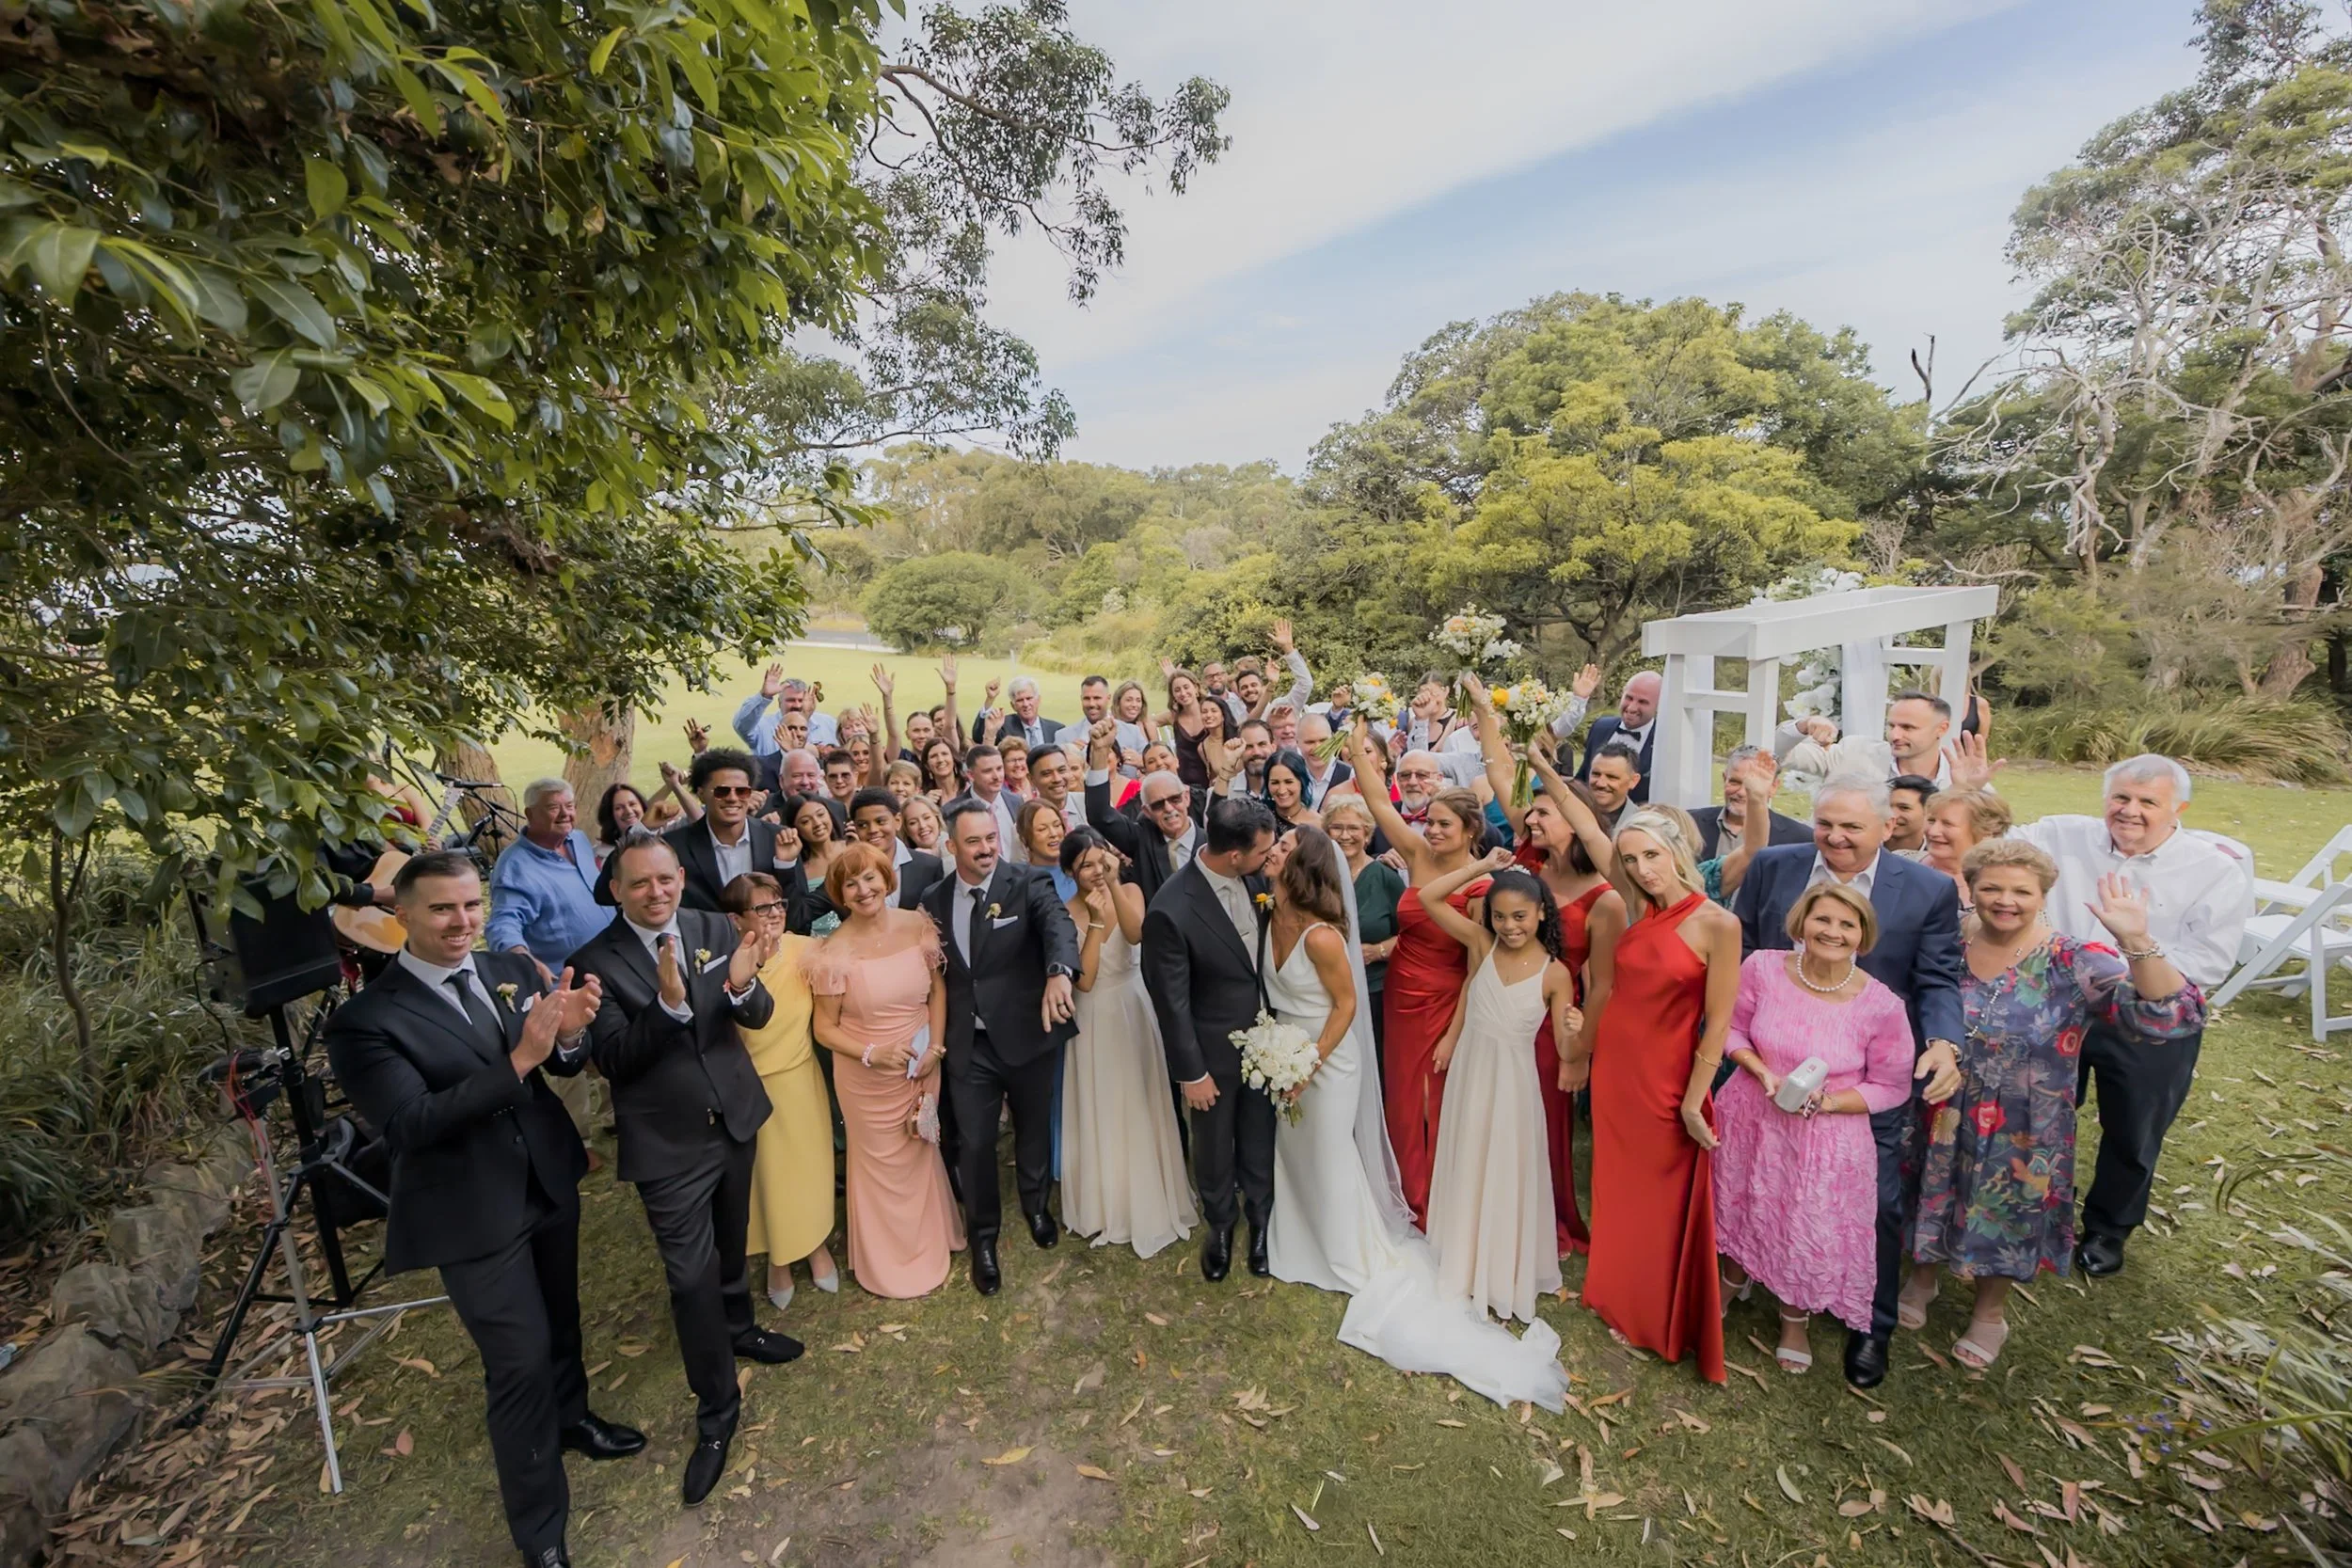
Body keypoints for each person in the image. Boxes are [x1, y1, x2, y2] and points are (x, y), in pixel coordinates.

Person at [326, 852, 639, 1568]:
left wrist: (567, 1036)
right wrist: (523, 1058)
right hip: (470, 1212)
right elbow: (409, 1124)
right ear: (400, 915)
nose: (463, 920)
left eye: (471, 903)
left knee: (561, 1320)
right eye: (442, 908)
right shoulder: (365, 1022)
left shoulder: (513, 967)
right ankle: (540, 1531)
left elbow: (564, 1059)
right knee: (517, 1361)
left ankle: (574, 1418)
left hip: (547, 1179)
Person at [1248, 829, 1572, 1408]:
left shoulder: (1324, 937)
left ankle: (1349, 1250)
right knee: (1296, 1154)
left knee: (1329, 1152)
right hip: (1289, 1052)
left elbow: (1350, 999)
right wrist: (1275, 1049)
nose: (1271, 850)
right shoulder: (1268, 912)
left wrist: (1486, 868)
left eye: (1283, 847)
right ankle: (1299, 1237)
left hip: (1327, 1059)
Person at [566, 833, 798, 1506]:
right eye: (640, 883)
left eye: (665, 878)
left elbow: (754, 1014)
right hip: (667, 1147)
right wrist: (668, 1009)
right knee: (688, 1276)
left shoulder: (708, 924)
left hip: (733, 1118)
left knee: (732, 1243)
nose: (657, 891)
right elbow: (614, 1058)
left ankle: (742, 1327)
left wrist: (743, 985)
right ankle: (718, 1410)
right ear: (615, 888)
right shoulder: (592, 963)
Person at [1907, 843, 2203, 1365]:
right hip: (1940, 1103)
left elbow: (2172, 1016)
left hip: (2024, 1122)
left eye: (2021, 891)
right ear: (1970, 889)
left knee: (2008, 1211)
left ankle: (1989, 1313)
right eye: (1991, 888)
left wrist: (2135, 938)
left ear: (2043, 895)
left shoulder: (2072, 959)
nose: (2005, 901)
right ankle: (1922, 1278)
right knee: (1929, 1188)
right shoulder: (1945, 940)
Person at [1734, 776, 1964, 1389]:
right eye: (1824, 823)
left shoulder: (1927, 890)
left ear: (1889, 826)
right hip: (1768, 1070)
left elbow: (1939, 978)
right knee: (1761, 1178)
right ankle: (1759, 1268)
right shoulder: (1772, 865)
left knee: (1878, 1204)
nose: (1835, 837)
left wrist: (1944, 1040)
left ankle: (1871, 1324)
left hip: (1862, 1079)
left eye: (1852, 826)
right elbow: (1745, 953)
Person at [2005, 754, 2249, 1278]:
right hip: (2059, 1005)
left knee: (2134, 1128)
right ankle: (2041, 1205)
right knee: (2038, 1111)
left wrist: (2131, 956)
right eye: (2120, 798)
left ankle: (2109, 1229)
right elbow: (1993, 837)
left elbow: (2207, 963)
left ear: (2178, 809)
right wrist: (1972, 787)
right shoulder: (2060, 835)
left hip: (2149, 1017)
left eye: (2147, 802)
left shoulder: (2214, 871)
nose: (2130, 811)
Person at [1712, 883, 1916, 1374]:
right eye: (1823, 920)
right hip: (1751, 1112)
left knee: (1802, 1223)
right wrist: (1758, 1070)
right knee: (1741, 1202)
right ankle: (1729, 1280)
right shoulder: (1761, 967)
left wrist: (1827, 1102)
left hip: (1824, 1137)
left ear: (1863, 937)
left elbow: (1892, 1086)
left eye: (1848, 925)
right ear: (1801, 922)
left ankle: (1793, 1318)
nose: (1833, 932)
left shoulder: (1882, 1006)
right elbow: (1732, 1028)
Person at [1566, 811, 1737, 1383]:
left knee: (1659, 1200)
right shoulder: (1640, 907)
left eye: (1652, 856)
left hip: (1665, 1080)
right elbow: (1588, 832)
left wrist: (1693, 1100)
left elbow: (1717, 1024)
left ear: (1676, 851)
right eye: (1632, 860)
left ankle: (1651, 1313)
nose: (1642, 869)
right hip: (1617, 1070)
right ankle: (1615, 1292)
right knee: (1617, 1188)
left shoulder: (1716, 923)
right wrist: (1534, 758)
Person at [921, 800, 1081, 1295]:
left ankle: (1036, 1207)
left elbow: (1058, 928)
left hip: (1028, 1033)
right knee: (974, 1142)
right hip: (970, 1045)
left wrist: (1059, 973)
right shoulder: (933, 898)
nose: (986, 848)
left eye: (990, 837)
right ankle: (983, 1238)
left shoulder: (1028, 881)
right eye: (973, 841)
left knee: (1034, 1128)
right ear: (952, 846)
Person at [1414, 851, 1580, 1323]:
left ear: (1542, 913)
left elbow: (1567, 1049)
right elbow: (1429, 897)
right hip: (1473, 1067)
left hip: (1512, 1081)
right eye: (1500, 917)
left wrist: (1573, 1025)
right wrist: (1480, 866)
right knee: (1468, 1151)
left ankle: (1499, 1259)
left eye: (1520, 917)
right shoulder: (1482, 945)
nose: (1509, 927)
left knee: (1504, 1160)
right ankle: (1462, 1250)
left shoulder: (1555, 973)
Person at [1344, 719, 1490, 1225]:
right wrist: (1359, 739)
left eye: (1444, 824)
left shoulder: (1482, 886)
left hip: (1445, 999)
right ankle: (1403, 1186)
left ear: (1470, 831)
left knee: (1433, 1100)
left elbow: (1477, 971)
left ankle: (1434, 1194)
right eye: (1430, 821)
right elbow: (1378, 802)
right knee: (1401, 1096)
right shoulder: (1417, 854)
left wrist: (1454, 1034)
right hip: (1400, 992)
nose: (1432, 830)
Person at [806, 843, 963, 1299]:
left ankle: (933, 1239)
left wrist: (935, 1046)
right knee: (881, 1165)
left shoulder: (917, 925)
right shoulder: (834, 952)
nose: (863, 889)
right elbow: (824, 1029)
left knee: (921, 1150)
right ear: (840, 893)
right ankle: (889, 1261)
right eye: (850, 883)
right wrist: (873, 1052)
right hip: (867, 1077)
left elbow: (936, 991)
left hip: (921, 1064)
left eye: (870, 877)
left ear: (886, 878)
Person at [1483, 740, 1615, 1255]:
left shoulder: (1605, 897)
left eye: (1541, 812)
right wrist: (1485, 710)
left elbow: (1603, 984)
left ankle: (1545, 1214)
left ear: (1572, 819)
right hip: (1502, 1005)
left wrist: (1578, 1053)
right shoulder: (1529, 869)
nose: (1529, 819)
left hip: (1555, 1019)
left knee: (1542, 1117)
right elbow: (1500, 779)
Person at [1140, 795, 1279, 1282]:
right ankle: (1222, 1224)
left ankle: (1262, 1220)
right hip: (1212, 1054)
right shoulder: (1170, 909)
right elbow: (1170, 1002)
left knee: (1261, 1135)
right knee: (1216, 1144)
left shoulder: (1261, 878)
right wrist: (1191, 1073)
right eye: (1264, 851)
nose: (1270, 857)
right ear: (1235, 855)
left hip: (1269, 1046)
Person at [1057, 828, 1198, 1259]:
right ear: (1069, 872)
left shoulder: (1130, 889)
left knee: (1140, 1097)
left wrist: (1114, 884)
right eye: (1085, 867)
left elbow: (1137, 935)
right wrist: (1096, 924)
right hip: (1095, 1015)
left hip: (1135, 1007)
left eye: (1101, 860)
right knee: (1104, 1102)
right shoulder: (1065, 911)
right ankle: (1108, 1201)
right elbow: (1085, 980)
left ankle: (1153, 1189)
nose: (1095, 872)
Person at [716, 873, 840, 1309]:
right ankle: (779, 1260)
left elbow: (844, 940)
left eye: (779, 906)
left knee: (808, 1167)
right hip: (750, 1082)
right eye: (762, 909)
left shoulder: (807, 948)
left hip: (799, 1075)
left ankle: (815, 1245)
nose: (775, 916)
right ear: (736, 918)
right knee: (765, 1177)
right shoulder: (721, 960)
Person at [488, 779, 612, 1155]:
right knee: (568, 1069)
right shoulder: (515, 867)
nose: (566, 814)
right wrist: (523, 956)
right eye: (554, 807)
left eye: (570, 805)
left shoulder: (577, 840)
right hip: (564, 982)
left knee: (611, 1044)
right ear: (529, 815)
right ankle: (577, 1142)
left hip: (607, 968)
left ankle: (612, 1119)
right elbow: (502, 924)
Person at [593, 749, 781, 912]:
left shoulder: (776, 838)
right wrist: (643, 829)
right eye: (721, 791)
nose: (732, 798)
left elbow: (795, 905)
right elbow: (605, 893)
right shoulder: (675, 846)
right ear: (701, 794)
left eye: (742, 791)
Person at [1321, 796, 1403, 1076]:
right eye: (1337, 828)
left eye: (1354, 828)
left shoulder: (1385, 877)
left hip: (1374, 991)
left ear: (1367, 834)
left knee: (1373, 1068)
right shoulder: (1317, 877)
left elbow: (1412, 935)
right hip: (1326, 993)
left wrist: (1379, 950)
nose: (1345, 836)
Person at [1084, 726, 1207, 905]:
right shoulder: (1141, 840)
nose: (1169, 808)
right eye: (1158, 804)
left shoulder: (1213, 843)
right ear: (1147, 811)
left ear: (1186, 797)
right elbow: (1100, 815)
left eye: (1175, 799)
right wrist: (1100, 753)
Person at [1689, 746, 1813, 862]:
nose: (1742, 792)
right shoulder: (1688, 823)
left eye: (1754, 785)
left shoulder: (1800, 839)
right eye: (1735, 782)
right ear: (1724, 779)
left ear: (1774, 787)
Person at [849, 786, 945, 910]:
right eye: (863, 825)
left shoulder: (930, 867)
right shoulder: (846, 868)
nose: (872, 830)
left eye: (880, 822)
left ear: (898, 821)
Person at [1574, 672, 1659, 800]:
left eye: (1643, 702)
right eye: (1629, 698)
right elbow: (1583, 778)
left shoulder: (1663, 741)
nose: (1631, 707)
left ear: (1659, 705)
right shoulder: (1600, 727)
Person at [1921, 787, 2012, 894]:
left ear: (1986, 832)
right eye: (1931, 821)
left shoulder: (2001, 883)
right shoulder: (1903, 860)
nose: (1933, 832)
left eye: (1947, 824)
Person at [1007, 743, 1085, 865]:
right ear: (1031, 779)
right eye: (1047, 774)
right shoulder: (1024, 825)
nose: (1057, 779)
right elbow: (1019, 873)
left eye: (1062, 770)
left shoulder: (1090, 806)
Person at [736, 667, 835, 754]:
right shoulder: (763, 726)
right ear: (779, 703)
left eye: (801, 700)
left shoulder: (828, 723)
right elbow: (740, 725)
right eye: (791, 700)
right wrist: (764, 696)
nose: (797, 705)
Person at [1885, 690, 1956, 788]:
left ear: (1941, 729)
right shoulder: (1866, 765)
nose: (1894, 736)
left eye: (1907, 727)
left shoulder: (1960, 778)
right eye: (1891, 726)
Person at [973, 675, 1064, 748]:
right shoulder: (1004, 726)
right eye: (1020, 700)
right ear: (1013, 706)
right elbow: (979, 737)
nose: (1025, 704)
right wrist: (990, 699)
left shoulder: (1057, 730)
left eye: (1029, 698)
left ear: (1038, 700)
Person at [1016, 798, 1074, 898]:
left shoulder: (1079, 870)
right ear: (1024, 839)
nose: (1053, 834)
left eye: (1057, 825)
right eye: (1042, 829)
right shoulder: (1019, 881)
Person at [1583, 740, 1644, 832]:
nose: (1600, 783)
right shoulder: (1568, 812)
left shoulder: (1642, 826)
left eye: (1611, 777)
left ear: (1633, 781)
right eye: (1596, 774)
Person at [1262, 749, 1321, 837]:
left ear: (1302, 782)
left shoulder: (1318, 825)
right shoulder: (1259, 816)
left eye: (1288, 782)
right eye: (1275, 783)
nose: (1282, 790)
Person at [593, 783, 648, 866]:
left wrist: (674, 786)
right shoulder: (604, 856)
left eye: (632, 804)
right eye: (619, 808)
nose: (629, 811)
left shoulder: (661, 833)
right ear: (610, 816)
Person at [1885, 774, 1936, 857]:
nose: (1892, 815)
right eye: (1887, 806)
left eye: (1904, 808)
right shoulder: (1865, 850)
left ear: (1928, 812)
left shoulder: (1937, 857)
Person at [1109, 679, 1154, 767]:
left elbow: (1155, 756)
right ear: (1118, 702)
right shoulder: (1110, 725)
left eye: (1138, 700)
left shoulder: (1146, 726)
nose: (1134, 705)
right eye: (1129, 700)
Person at [900, 794, 946, 858]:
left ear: (937, 818)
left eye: (927, 818)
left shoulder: (958, 849)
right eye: (913, 823)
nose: (922, 826)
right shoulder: (903, 861)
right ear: (906, 830)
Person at [919, 736, 963, 801]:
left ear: (954, 759)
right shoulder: (922, 797)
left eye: (944, 754)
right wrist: (926, 804)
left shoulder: (971, 788)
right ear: (927, 765)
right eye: (933, 756)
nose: (940, 760)